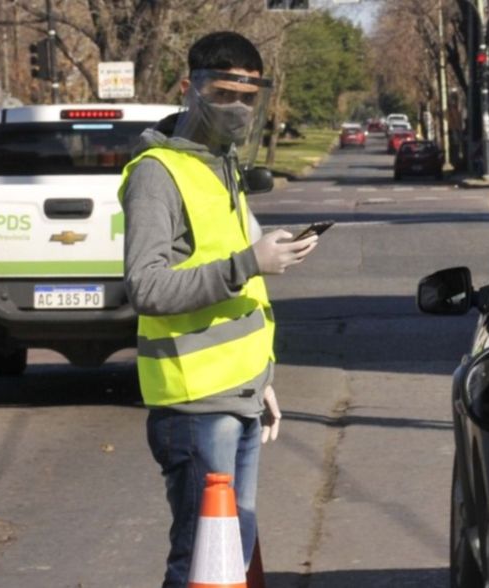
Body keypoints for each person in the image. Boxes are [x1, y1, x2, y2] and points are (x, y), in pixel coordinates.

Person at [118, 31, 318, 587]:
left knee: (230, 552)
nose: (238, 109)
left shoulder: (221, 165)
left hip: (238, 397)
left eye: (249, 98)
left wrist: (261, 380)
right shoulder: (158, 174)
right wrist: (248, 263)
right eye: (224, 93)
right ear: (190, 89)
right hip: (193, 407)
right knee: (198, 563)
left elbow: (238, 296)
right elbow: (147, 286)